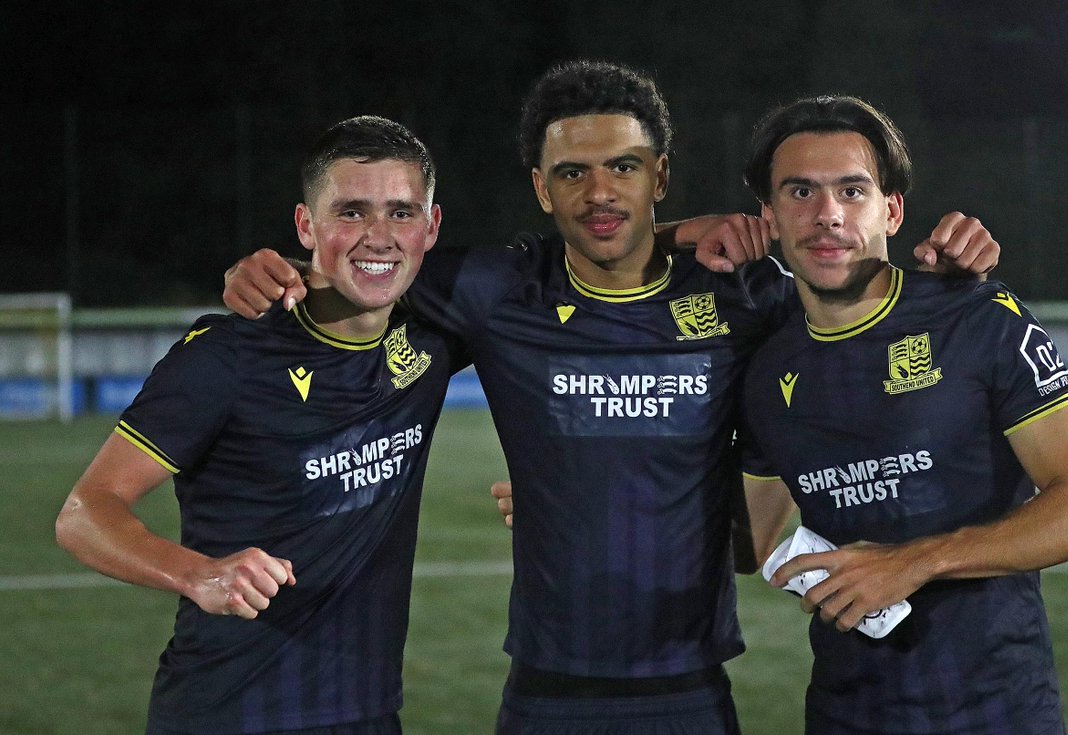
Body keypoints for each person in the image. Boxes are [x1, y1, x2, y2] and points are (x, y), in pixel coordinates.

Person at [223, 61, 999, 734]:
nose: (600, 192)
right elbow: (369, 266)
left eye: (625, 168)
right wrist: (276, 271)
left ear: (660, 175)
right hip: (546, 691)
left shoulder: (743, 292)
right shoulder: (498, 292)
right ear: (539, 186)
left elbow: (858, 306)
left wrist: (938, 268)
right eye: (572, 173)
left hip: (690, 686)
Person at [56, 116, 464, 734]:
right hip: (229, 712)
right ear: (306, 224)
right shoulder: (227, 356)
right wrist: (200, 573)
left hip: (369, 713)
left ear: (430, 226)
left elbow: (594, 275)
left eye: (401, 213)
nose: (378, 236)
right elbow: (86, 512)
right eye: (350, 212)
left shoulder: (435, 333)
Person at [734, 95, 1068, 733]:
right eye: (800, 191)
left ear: (892, 210)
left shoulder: (976, 317)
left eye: (851, 191)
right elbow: (742, 544)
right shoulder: (766, 366)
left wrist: (912, 562)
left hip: (997, 711)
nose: (826, 215)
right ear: (769, 216)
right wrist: (587, 493)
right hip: (845, 711)